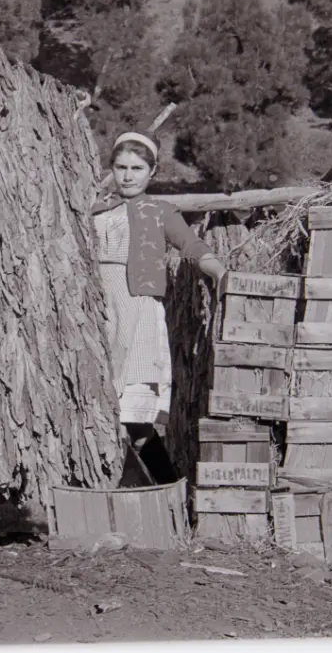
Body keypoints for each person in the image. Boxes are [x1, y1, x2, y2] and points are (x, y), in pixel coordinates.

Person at [91, 132, 228, 482]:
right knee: (93, 409)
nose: (128, 175)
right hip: (95, 313)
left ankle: (168, 490)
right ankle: (104, 493)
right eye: (121, 167)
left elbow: (192, 246)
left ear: (152, 171)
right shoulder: (94, 209)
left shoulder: (158, 211)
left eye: (137, 168)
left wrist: (221, 273)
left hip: (136, 314)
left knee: (135, 420)